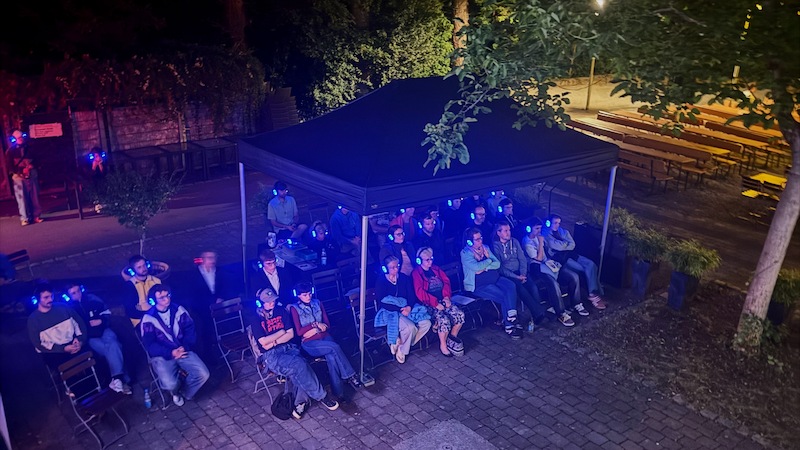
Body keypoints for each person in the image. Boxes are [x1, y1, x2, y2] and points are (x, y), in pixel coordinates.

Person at [249, 287, 339, 419]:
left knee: (299, 368)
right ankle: (322, 396)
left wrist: (274, 340)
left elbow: (290, 334)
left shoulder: (281, 311)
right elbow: (263, 342)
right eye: (268, 301)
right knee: (300, 364)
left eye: (273, 300)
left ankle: (300, 403)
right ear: (260, 303)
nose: (272, 303)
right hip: (271, 355)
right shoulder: (256, 318)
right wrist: (281, 333)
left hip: (289, 347)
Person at [288, 282, 362, 401]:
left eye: (309, 294)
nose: (308, 297)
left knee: (332, 357)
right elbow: (300, 332)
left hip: (324, 336)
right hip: (309, 342)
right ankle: (350, 375)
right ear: (299, 296)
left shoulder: (317, 303)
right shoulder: (294, 308)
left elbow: (327, 324)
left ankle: (338, 393)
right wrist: (315, 325)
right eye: (305, 295)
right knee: (334, 347)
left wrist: (317, 329)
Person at [141, 284, 210, 407]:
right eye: (161, 298)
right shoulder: (148, 319)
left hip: (182, 350)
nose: (166, 299)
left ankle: (186, 393)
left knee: (203, 374)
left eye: (167, 295)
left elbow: (190, 330)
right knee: (170, 384)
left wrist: (185, 346)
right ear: (154, 301)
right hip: (163, 356)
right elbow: (150, 345)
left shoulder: (179, 310)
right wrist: (171, 352)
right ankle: (175, 393)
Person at [65, 282, 132, 393]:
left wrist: (101, 321)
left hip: (104, 330)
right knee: (111, 349)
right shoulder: (70, 309)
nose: (77, 294)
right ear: (69, 296)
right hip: (90, 337)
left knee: (114, 344)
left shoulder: (92, 299)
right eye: (73, 293)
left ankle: (117, 380)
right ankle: (123, 380)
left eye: (78, 291)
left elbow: (106, 313)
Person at [460, 228, 522, 339]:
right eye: (477, 239)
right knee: (504, 296)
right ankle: (509, 326)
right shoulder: (465, 253)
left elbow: (497, 264)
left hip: (495, 278)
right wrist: (488, 260)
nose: (480, 241)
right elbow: (476, 267)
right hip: (480, 285)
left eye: (481, 238)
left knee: (511, 285)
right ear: (469, 241)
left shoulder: (486, 248)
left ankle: (511, 316)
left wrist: (485, 267)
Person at [523, 219, 586, 323]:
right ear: (530, 229)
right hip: (537, 267)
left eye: (540, 228)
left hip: (548, 264)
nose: (539, 231)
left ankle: (576, 303)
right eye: (537, 228)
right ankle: (561, 313)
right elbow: (538, 259)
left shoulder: (541, 237)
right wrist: (541, 242)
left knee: (573, 276)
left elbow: (548, 253)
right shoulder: (527, 242)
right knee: (553, 283)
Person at [542, 214, 608, 310]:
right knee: (584, 269)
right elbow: (555, 245)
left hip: (572, 254)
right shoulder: (545, 233)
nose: (557, 225)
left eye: (559, 223)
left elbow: (572, 244)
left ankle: (594, 293)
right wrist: (566, 244)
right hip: (561, 258)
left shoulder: (563, 231)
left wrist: (564, 245)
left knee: (592, 265)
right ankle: (594, 294)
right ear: (549, 223)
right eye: (555, 223)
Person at [491, 223, 550, 328]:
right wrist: (516, 277)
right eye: (505, 231)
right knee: (520, 288)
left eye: (509, 230)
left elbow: (522, 258)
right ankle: (539, 313)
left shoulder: (514, 241)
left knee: (533, 287)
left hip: (520, 272)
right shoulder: (495, 246)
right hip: (508, 275)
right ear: (498, 233)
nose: (508, 233)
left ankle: (537, 314)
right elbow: (500, 267)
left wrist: (523, 273)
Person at [374, 256, 432, 363]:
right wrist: (400, 309)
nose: (396, 269)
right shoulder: (381, 281)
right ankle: (404, 351)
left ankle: (402, 346)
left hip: (407, 307)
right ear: (385, 268)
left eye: (397, 266)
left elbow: (411, 295)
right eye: (392, 267)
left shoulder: (404, 278)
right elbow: (383, 301)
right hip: (391, 311)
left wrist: (409, 307)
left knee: (426, 323)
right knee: (411, 328)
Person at [411, 247, 465, 356]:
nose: (430, 261)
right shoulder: (416, 273)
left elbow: (446, 282)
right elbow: (419, 292)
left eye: (431, 258)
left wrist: (446, 297)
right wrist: (435, 303)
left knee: (459, 315)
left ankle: (452, 338)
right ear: (419, 260)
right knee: (443, 320)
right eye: (427, 260)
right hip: (429, 303)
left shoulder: (436, 269)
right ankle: (443, 345)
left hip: (443, 300)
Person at [27, 283, 88, 374]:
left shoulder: (63, 308)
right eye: (46, 297)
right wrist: (63, 349)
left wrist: (80, 340)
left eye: (51, 296)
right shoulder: (33, 320)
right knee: (69, 370)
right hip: (54, 353)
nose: (50, 299)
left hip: (73, 344)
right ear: (38, 299)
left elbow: (80, 324)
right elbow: (38, 343)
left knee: (90, 360)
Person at [5, 130, 42, 226]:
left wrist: (31, 166)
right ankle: (24, 218)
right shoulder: (10, 151)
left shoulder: (30, 148)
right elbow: (9, 166)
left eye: (21, 137)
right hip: (19, 176)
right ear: (15, 139)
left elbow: (38, 160)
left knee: (34, 196)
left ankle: (36, 216)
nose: (21, 139)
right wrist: (20, 172)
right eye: (18, 138)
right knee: (22, 198)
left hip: (31, 174)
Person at [125, 255, 162, 327]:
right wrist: (148, 316)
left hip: (158, 315)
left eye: (144, 265)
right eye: (139, 267)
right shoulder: (129, 285)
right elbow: (130, 310)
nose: (143, 268)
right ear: (133, 270)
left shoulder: (156, 281)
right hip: (139, 320)